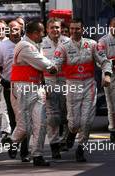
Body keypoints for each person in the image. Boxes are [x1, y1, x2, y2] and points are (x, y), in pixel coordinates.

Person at [54, 19, 112, 162]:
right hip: (72, 85)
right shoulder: (63, 47)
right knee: (74, 123)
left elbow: (104, 61)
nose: (74, 31)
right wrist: (52, 69)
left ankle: (80, 148)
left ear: (83, 30)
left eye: (77, 29)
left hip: (88, 85)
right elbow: (55, 64)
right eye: (72, 29)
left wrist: (107, 74)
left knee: (86, 121)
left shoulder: (92, 45)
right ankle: (71, 133)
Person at [5, 21, 58, 166]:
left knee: (40, 123)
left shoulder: (35, 45)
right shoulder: (25, 46)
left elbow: (40, 68)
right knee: (25, 126)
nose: (43, 35)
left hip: (36, 87)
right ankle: (13, 141)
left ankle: (37, 155)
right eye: (41, 32)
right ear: (34, 33)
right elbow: (43, 64)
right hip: (22, 88)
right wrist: (52, 67)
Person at [0, 20, 30, 162]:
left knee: (27, 119)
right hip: (11, 88)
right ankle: (15, 146)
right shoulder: (2, 46)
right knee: (15, 120)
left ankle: (24, 151)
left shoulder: (28, 43)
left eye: (17, 29)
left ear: (22, 30)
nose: (14, 32)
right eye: (11, 29)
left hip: (28, 87)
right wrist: (2, 81)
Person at [41, 18, 69, 159]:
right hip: (49, 82)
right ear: (47, 29)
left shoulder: (67, 41)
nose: (55, 30)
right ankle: (54, 146)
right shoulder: (41, 43)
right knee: (53, 115)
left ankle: (65, 139)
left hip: (66, 82)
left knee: (66, 114)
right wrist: (42, 85)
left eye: (57, 27)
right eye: (52, 27)